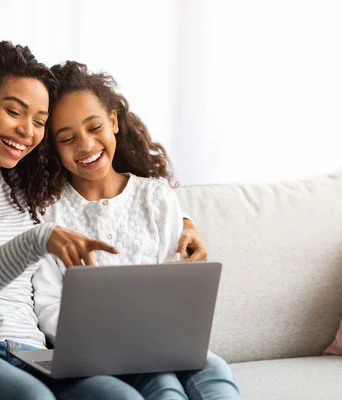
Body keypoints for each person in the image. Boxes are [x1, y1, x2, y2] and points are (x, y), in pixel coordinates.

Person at [33, 61, 242, 399]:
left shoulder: (156, 197)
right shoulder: (47, 214)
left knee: (215, 370)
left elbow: (177, 288)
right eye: (67, 138)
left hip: (164, 342)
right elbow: (47, 304)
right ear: (52, 148)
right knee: (163, 386)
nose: (85, 145)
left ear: (113, 121)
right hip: (97, 352)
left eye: (94, 127)